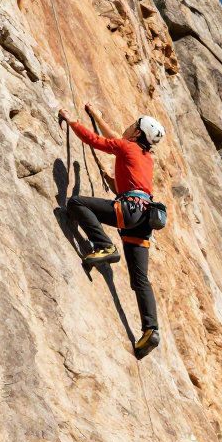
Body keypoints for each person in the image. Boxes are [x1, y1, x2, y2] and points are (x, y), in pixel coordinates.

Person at [58, 103, 166, 358]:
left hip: (129, 209)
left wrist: (73, 121)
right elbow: (116, 139)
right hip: (145, 218)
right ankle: (151, 329)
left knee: (76, 203)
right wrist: (97, 115)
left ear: (138, 133)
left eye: (133, 125)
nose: (127, 127)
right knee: (141, 279)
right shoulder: (146, 158)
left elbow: (97, 141)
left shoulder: (127, 147)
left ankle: (104, 244)